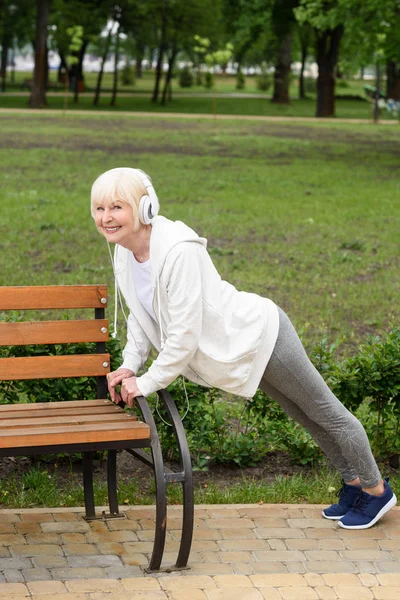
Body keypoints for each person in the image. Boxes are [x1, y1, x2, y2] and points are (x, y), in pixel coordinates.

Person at [90, 167, 397, 530]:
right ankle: (353, 485)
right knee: (305, 415)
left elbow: (184, 336)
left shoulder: (177, 250)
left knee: (325, 411)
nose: (106, 218)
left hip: (261, 335)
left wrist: (147, 382)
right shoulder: (126, 254)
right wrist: (130, 365)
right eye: (99, 209)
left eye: (116, 208)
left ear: (144, 209)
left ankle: (377, 491)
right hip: (237, 348)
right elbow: (141, 319)